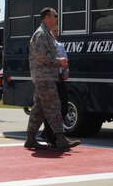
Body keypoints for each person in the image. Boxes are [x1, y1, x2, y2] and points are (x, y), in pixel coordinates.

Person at [25, 8, 80, 151]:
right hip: (44, 77)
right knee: (54, 106)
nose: (56, 18)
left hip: (45, 76)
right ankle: (61, 139)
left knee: (39, 109)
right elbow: (42, 56)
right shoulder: (41, 34)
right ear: (46, 18)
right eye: (55, 16)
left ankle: (30, 139)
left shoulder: (46, 33)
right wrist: (59, 61)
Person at [39, 26, 69, 145]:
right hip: (49, 80)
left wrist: (66, 71)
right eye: (55, 31)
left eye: (58, 31)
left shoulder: (60, 46)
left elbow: (65, 61)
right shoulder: (45, 46)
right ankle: (51, 138)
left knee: (64, 108)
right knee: (51, 109)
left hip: (60, 79)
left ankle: (46, 133)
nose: (57, 33)